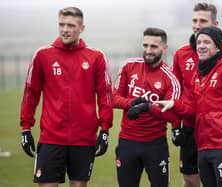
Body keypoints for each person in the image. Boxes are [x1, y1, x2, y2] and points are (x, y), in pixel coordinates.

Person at [20, 7, 113, 187]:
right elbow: (30, 94)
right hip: (51, 138)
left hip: (84, 138)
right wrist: (25, 128)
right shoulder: (43, 55)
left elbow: (105, 96)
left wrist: (105, 129)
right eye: (61, 24)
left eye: (71, 25)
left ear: (81, 28)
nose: (65, 29)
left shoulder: (96, 57)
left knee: (78, 185)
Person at [155, 26, 222, 187]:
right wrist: (175, 104)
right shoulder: (199, 75)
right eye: (199, 42)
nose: (201, 45)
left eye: (207, 42)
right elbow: (194, 111)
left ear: (217, 46)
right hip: (202, 145)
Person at [172, 2, 222, 187]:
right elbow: (176, 93)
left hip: (221, 131)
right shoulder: (181, 54)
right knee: (189, 180)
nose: (197, 25)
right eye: (194, 20)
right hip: (191, 126)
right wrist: (175, 126)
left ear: (215, 24)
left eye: (203, 21)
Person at [112, 27, 181, 187]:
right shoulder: (128, 66)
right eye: (145, 45)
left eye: (154, 47)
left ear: (164, 48)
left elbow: (174, 116)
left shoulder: (170, 78)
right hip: (127, 142)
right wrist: (131, 103)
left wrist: (148, 107)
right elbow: (114, 99)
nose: (148, 51)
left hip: (155, 144)